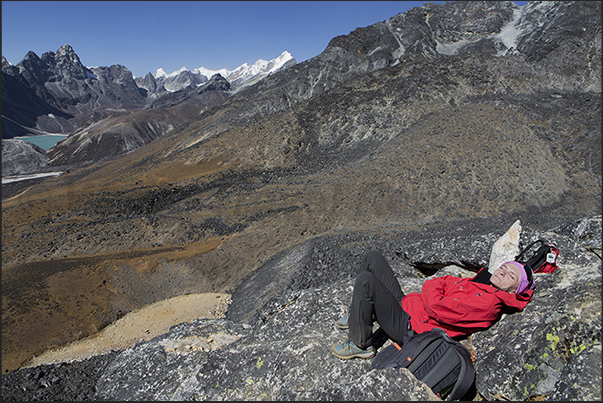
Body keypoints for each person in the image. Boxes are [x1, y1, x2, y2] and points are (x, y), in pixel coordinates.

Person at [332, 249, 535, 360]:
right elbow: (443, 281)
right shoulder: (480, 283)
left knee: (366, 280)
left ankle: (360, 344)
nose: (503, 272)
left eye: (511, 276)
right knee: (372, 257)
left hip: (411, 328)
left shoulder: (489, 305)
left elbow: (437, 307)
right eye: (505, 267)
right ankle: (359, 315)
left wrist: (432, 290)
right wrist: (434, 289)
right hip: (409, 305)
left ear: (513, 290)